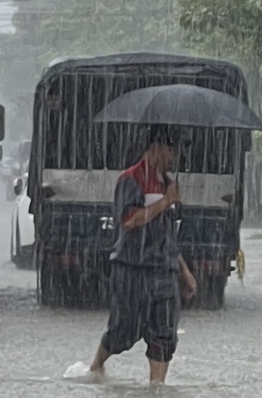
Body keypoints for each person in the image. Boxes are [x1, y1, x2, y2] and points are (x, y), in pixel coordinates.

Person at [74, 124, 197, 384]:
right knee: (123, 330)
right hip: (132, 268)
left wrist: (184, 272)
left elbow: (167, 233)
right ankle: (96, 366)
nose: (173, 158)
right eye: (171, 152)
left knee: (164, 333)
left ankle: (156, 389)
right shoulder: (130, 179)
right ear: (156, 149)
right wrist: (165, 202)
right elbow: (128, 220)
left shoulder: (168, 184)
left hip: (164, 271)